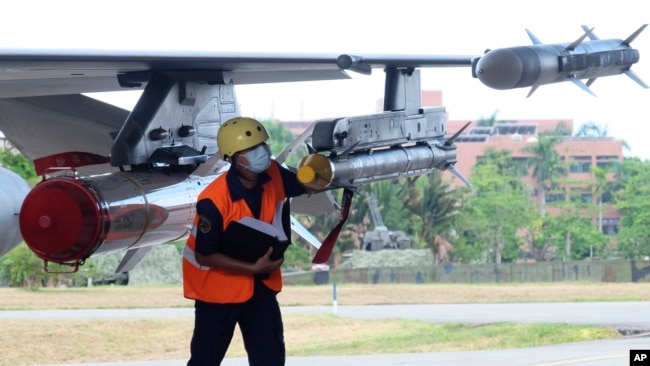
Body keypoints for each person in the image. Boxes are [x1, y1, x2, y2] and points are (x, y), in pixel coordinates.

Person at [183, 116, 306, 365]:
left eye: (262, 145)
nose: (261, 152)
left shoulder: (273, 172)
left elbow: (302, 185)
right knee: (205, 361)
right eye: (250, 149)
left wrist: (320, 170)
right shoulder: (214, 201)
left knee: (270, 359)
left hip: (260, 288)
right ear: (232, 158)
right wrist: (252, 268)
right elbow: (203, 255)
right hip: (217, 293)